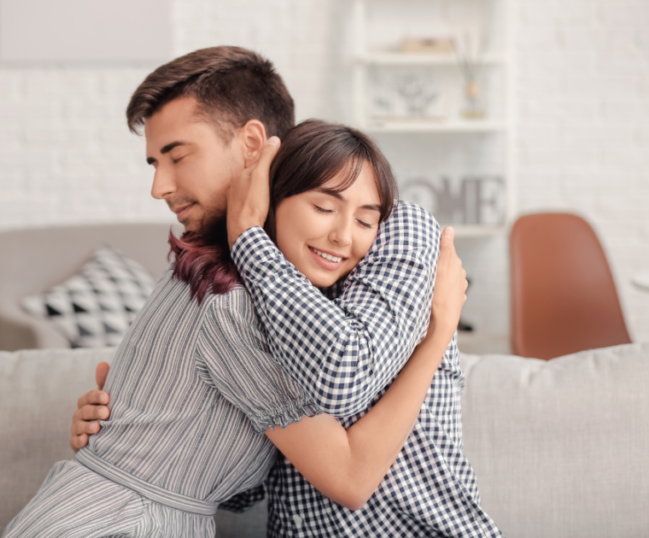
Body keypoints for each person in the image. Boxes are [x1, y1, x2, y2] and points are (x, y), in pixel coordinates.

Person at [69, 46, 503, 537]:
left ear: (253, 143)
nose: (158, 187)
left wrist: (438, 334)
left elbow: (344, 378)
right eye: (153, 161)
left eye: (178, 155)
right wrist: (134, 432)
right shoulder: (236, 284)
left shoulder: (399, 230)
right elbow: (253, 477)